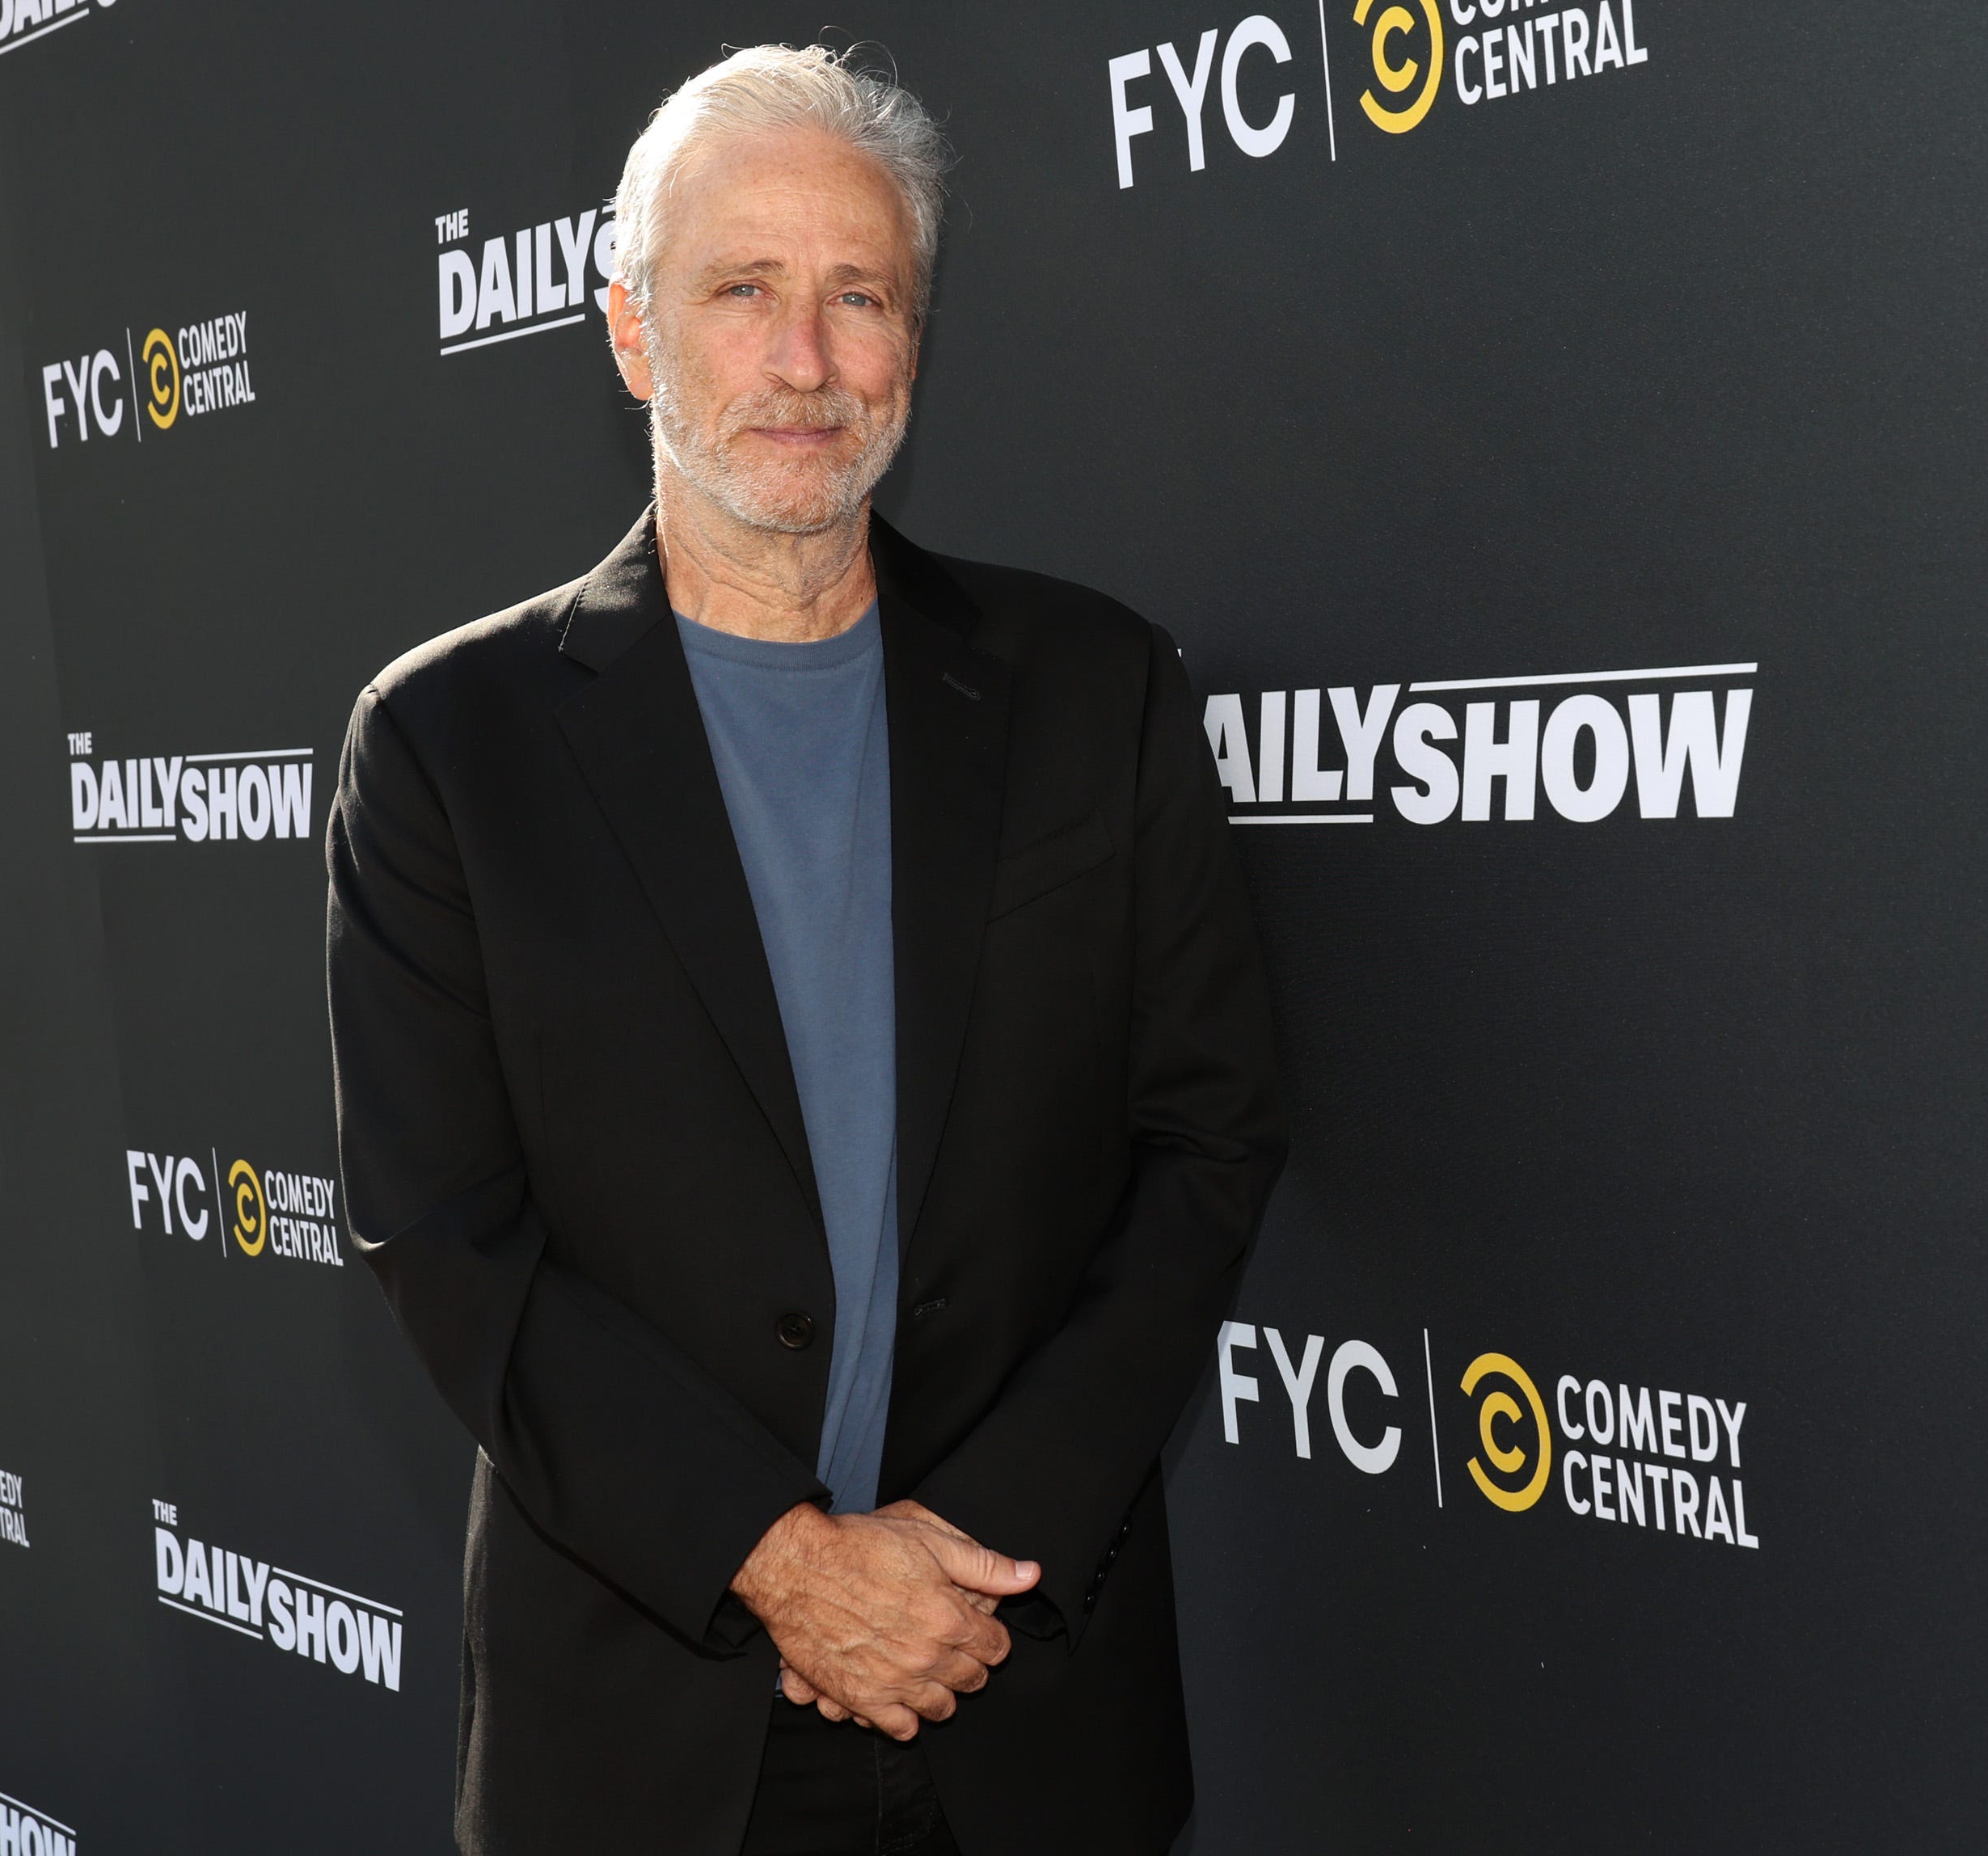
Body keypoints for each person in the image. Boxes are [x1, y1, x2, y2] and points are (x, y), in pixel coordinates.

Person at [325, 43, 1285, 1856]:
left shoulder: (1096, 689)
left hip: (1027, 1695)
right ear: (631, 332)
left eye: (861, 297)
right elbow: (449, 1235)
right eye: (743, 291)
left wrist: (966, 1558)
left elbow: (1210, 1132)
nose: (805, 358)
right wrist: (778, 1559)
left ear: (915, 340)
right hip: (643, 1736)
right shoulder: (450, 744)